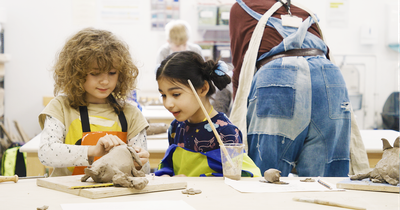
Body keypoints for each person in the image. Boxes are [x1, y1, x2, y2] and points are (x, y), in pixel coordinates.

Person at [229, 0, 353, 177]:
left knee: (267, 178)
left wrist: (236, 125)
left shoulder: (240, 7)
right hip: (330, 77)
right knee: (325, 181)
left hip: (278, 74)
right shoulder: (304, 11)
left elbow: (241, 72)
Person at [38, 28, 150, 177]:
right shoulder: (61, 107)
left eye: (112, 73)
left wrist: (139, 162)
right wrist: (93, 151)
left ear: (121, 73)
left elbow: (145, 171)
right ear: (76, 72)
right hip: (67, 195)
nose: (105, 81)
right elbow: (46, 153)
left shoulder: (131, 114)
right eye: (95, 73)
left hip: (114, 194)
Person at [154, 51, 261, 177]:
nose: (168, 104)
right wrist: (166, 175)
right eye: (164, 95)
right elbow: (169, 165)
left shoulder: (226, 132)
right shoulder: (176, 127)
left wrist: (194, 181)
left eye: (176, 94)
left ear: (203, 89)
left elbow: (240, 176)